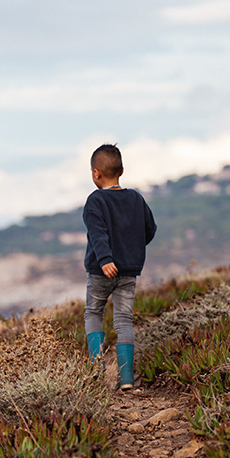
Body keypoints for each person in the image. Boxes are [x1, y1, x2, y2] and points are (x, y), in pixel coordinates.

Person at [83, 144, 157, 390]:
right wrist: (131, 249)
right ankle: (125, 379)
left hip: (100, 270)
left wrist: (105, 260)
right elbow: (150, 230)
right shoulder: (136, 198)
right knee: (124, 320)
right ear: (122, 170)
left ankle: (96, 372)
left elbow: (97, 234)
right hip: (128, 270)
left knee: (94, 313)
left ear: (96, 173)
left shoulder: (95, 201)